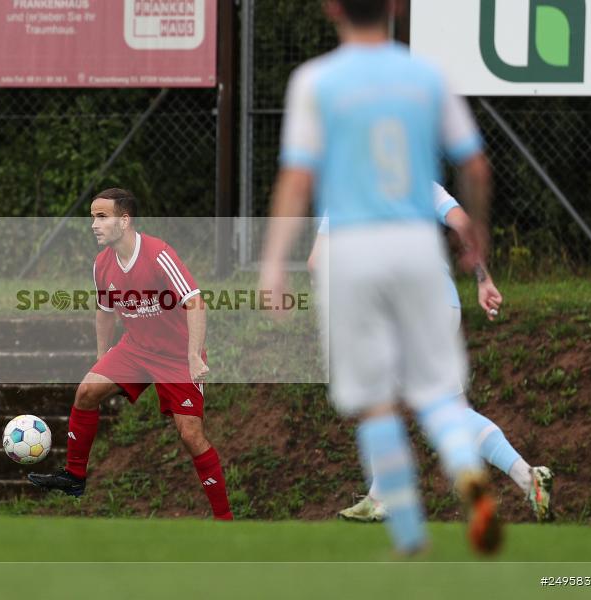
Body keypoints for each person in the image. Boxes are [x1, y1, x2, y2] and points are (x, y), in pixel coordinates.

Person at [259, 0, 500, 554]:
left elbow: (297, 179)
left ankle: (410, 533)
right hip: (417, 249)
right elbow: (476, 166)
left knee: (373, 399)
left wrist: (274, 263)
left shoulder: (315, 80)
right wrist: (478, 236)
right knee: (439, 394)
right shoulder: (427, 75)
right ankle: (471, 482)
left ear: (331, 8)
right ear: (393, 7)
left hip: (356, 250)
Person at [309, 184, 554, 523]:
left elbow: (317, 262)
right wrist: (483, 280)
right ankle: (528, 477)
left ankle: (383, 496)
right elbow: (462, 225)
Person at [28, 188, 233, 520]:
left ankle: (226, 521)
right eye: (92, 217)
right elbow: (105, 311)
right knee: (86, 391)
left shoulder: (158, 254)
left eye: (101, 217)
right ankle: (74, 476)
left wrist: (194, 355)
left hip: (176, 356)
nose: (93, 224)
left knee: (191, 435)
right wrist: (100, 357)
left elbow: (195, 300)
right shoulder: (101, 265)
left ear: (124, 221)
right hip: (136, 349)